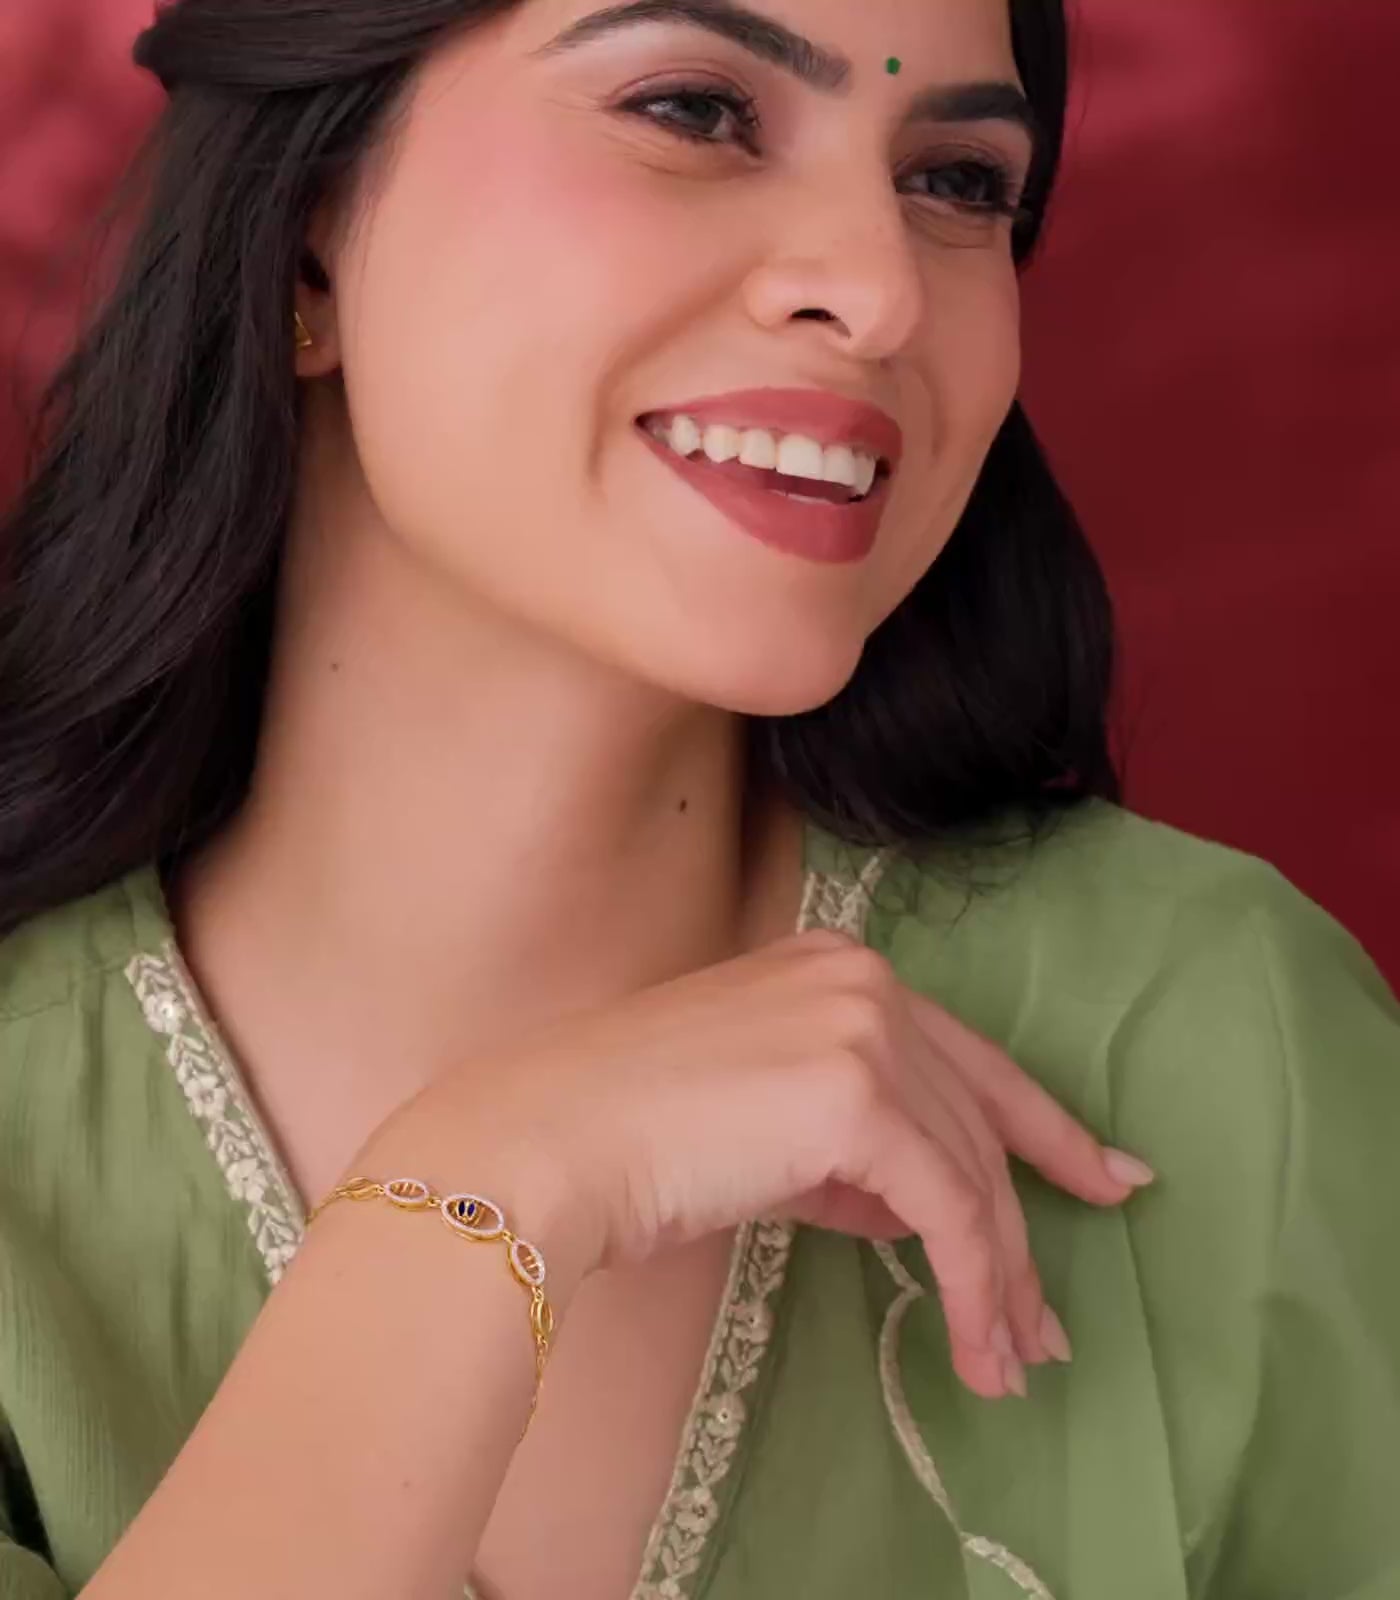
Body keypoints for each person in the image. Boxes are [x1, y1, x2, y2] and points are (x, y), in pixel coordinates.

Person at [1, 0, 1397, 1595]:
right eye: (694, 109)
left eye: (957, 182)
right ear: (310, 235)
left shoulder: (1212, 1042)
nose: (877, 293)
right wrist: (491, 1190)